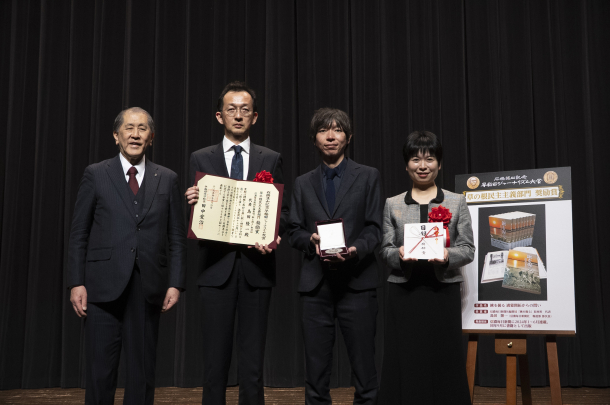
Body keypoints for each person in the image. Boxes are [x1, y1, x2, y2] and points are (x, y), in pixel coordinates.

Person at [67, 107, 186, 404]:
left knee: (142, 374)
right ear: (116, 136)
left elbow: (176, 237)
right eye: (129, 128)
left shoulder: (167, 178)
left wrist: (175, 283)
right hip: (101, 287)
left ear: (151, 137)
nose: (135, 134)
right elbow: (79, 232)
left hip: (148, 287)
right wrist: (76, 282)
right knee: (100, 373)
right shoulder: (96, 174)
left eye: (142, 129)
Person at [184, 81, 289, 404]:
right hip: (215, 269)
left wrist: (274, 234)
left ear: (255, 117)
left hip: (257, 269)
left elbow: (283, 212)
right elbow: (195, 217)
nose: (238, 115)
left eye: (245, 110)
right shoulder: (200, 158)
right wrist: (191, 202)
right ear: (220, 116)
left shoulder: (270, 158)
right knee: (214, 363)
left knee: (253, 364)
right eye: (231, 109)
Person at [287, 108, 382, 405]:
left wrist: (355, 250)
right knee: (315, 374)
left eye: (338, 130)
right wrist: (309, 240)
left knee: (365, 371)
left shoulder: (368, 176)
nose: (330, 136)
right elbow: (293, 230)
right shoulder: (303, 183)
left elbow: (375, 228)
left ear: (348, 137)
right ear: (314, 139)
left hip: (358, 284)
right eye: (323, 130)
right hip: (316, 287)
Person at [377, 131, 474, 404]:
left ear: (439, 164)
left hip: (443, 290)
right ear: (406, 165)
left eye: (429, 159)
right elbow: (384, 249)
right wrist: (398, 255)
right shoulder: (393, 204)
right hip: (404, 291)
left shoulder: (456, 201)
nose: (423, 166)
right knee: (405, 355)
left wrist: (447, 255)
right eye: (415, 159)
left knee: (445, 355)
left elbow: (468, 248)